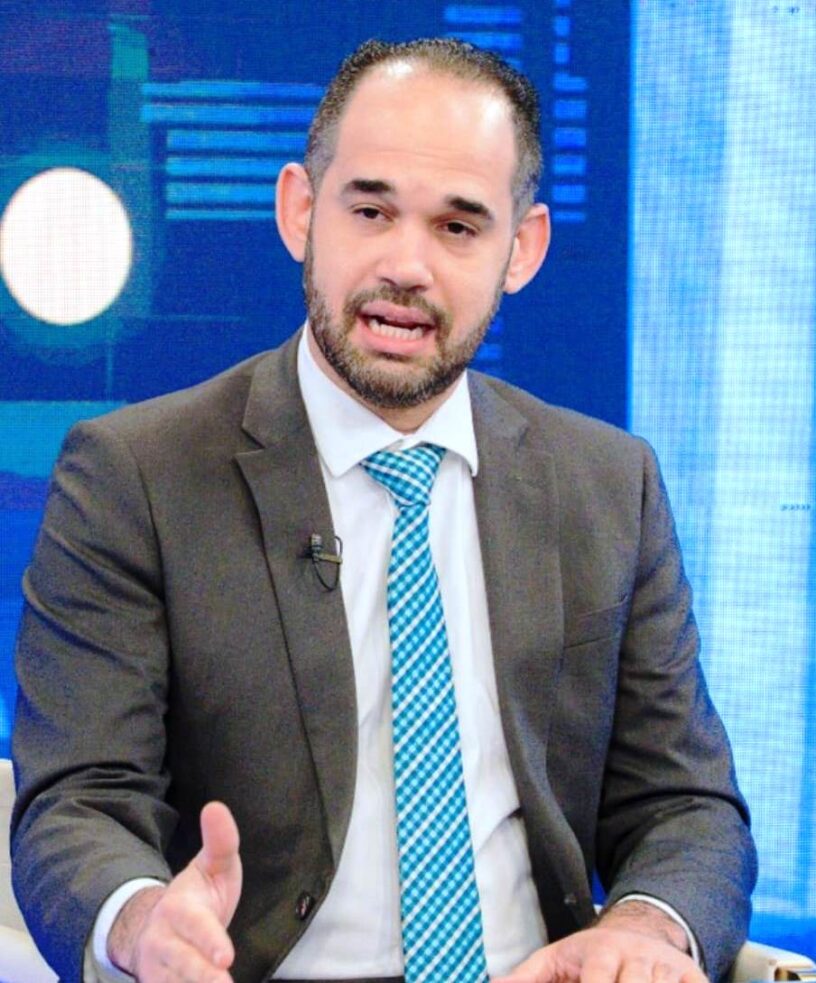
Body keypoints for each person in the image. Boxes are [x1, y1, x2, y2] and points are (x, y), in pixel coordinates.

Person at [11, 38, 756, 983]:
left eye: (458, 227)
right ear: (300, 211)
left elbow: (687, 806)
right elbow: (77, 801)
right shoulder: (135, 476)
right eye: (370, 211)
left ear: (522, 250)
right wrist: (143, 919)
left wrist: (643, 930)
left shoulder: (610, 483)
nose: (407, 265)